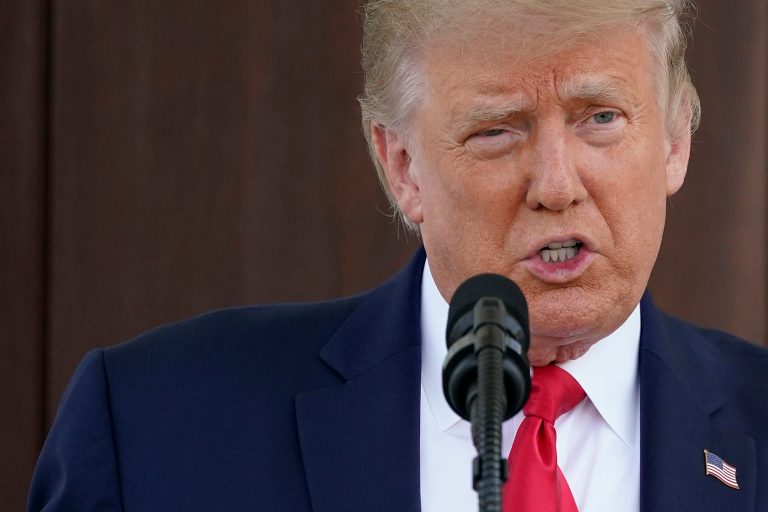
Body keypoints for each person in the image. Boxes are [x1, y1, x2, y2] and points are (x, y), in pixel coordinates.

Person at [28, 1, 767, 511]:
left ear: (676, 140)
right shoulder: (156, 428)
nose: (555, 185)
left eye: (600, 118)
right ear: (404, 166)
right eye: (497, 130)